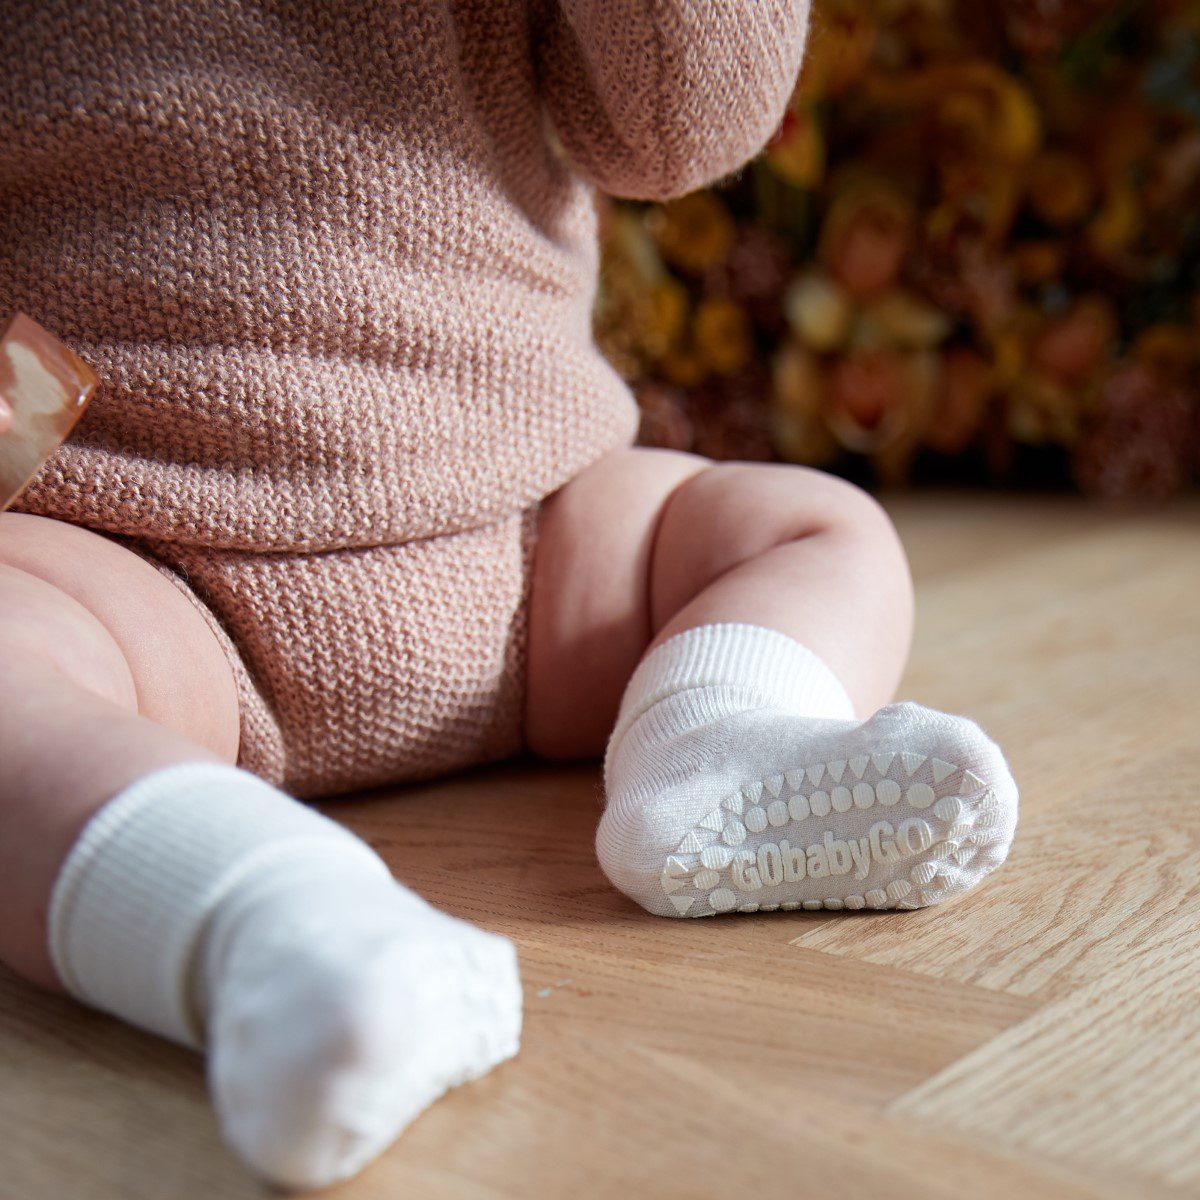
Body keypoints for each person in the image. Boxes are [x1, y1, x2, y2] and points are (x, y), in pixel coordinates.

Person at [0, 0, 1018, 1189]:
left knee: (812, 530)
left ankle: (717, 741)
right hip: (130, 549)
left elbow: (682, 128)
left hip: (536, 533)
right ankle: (272, 925)